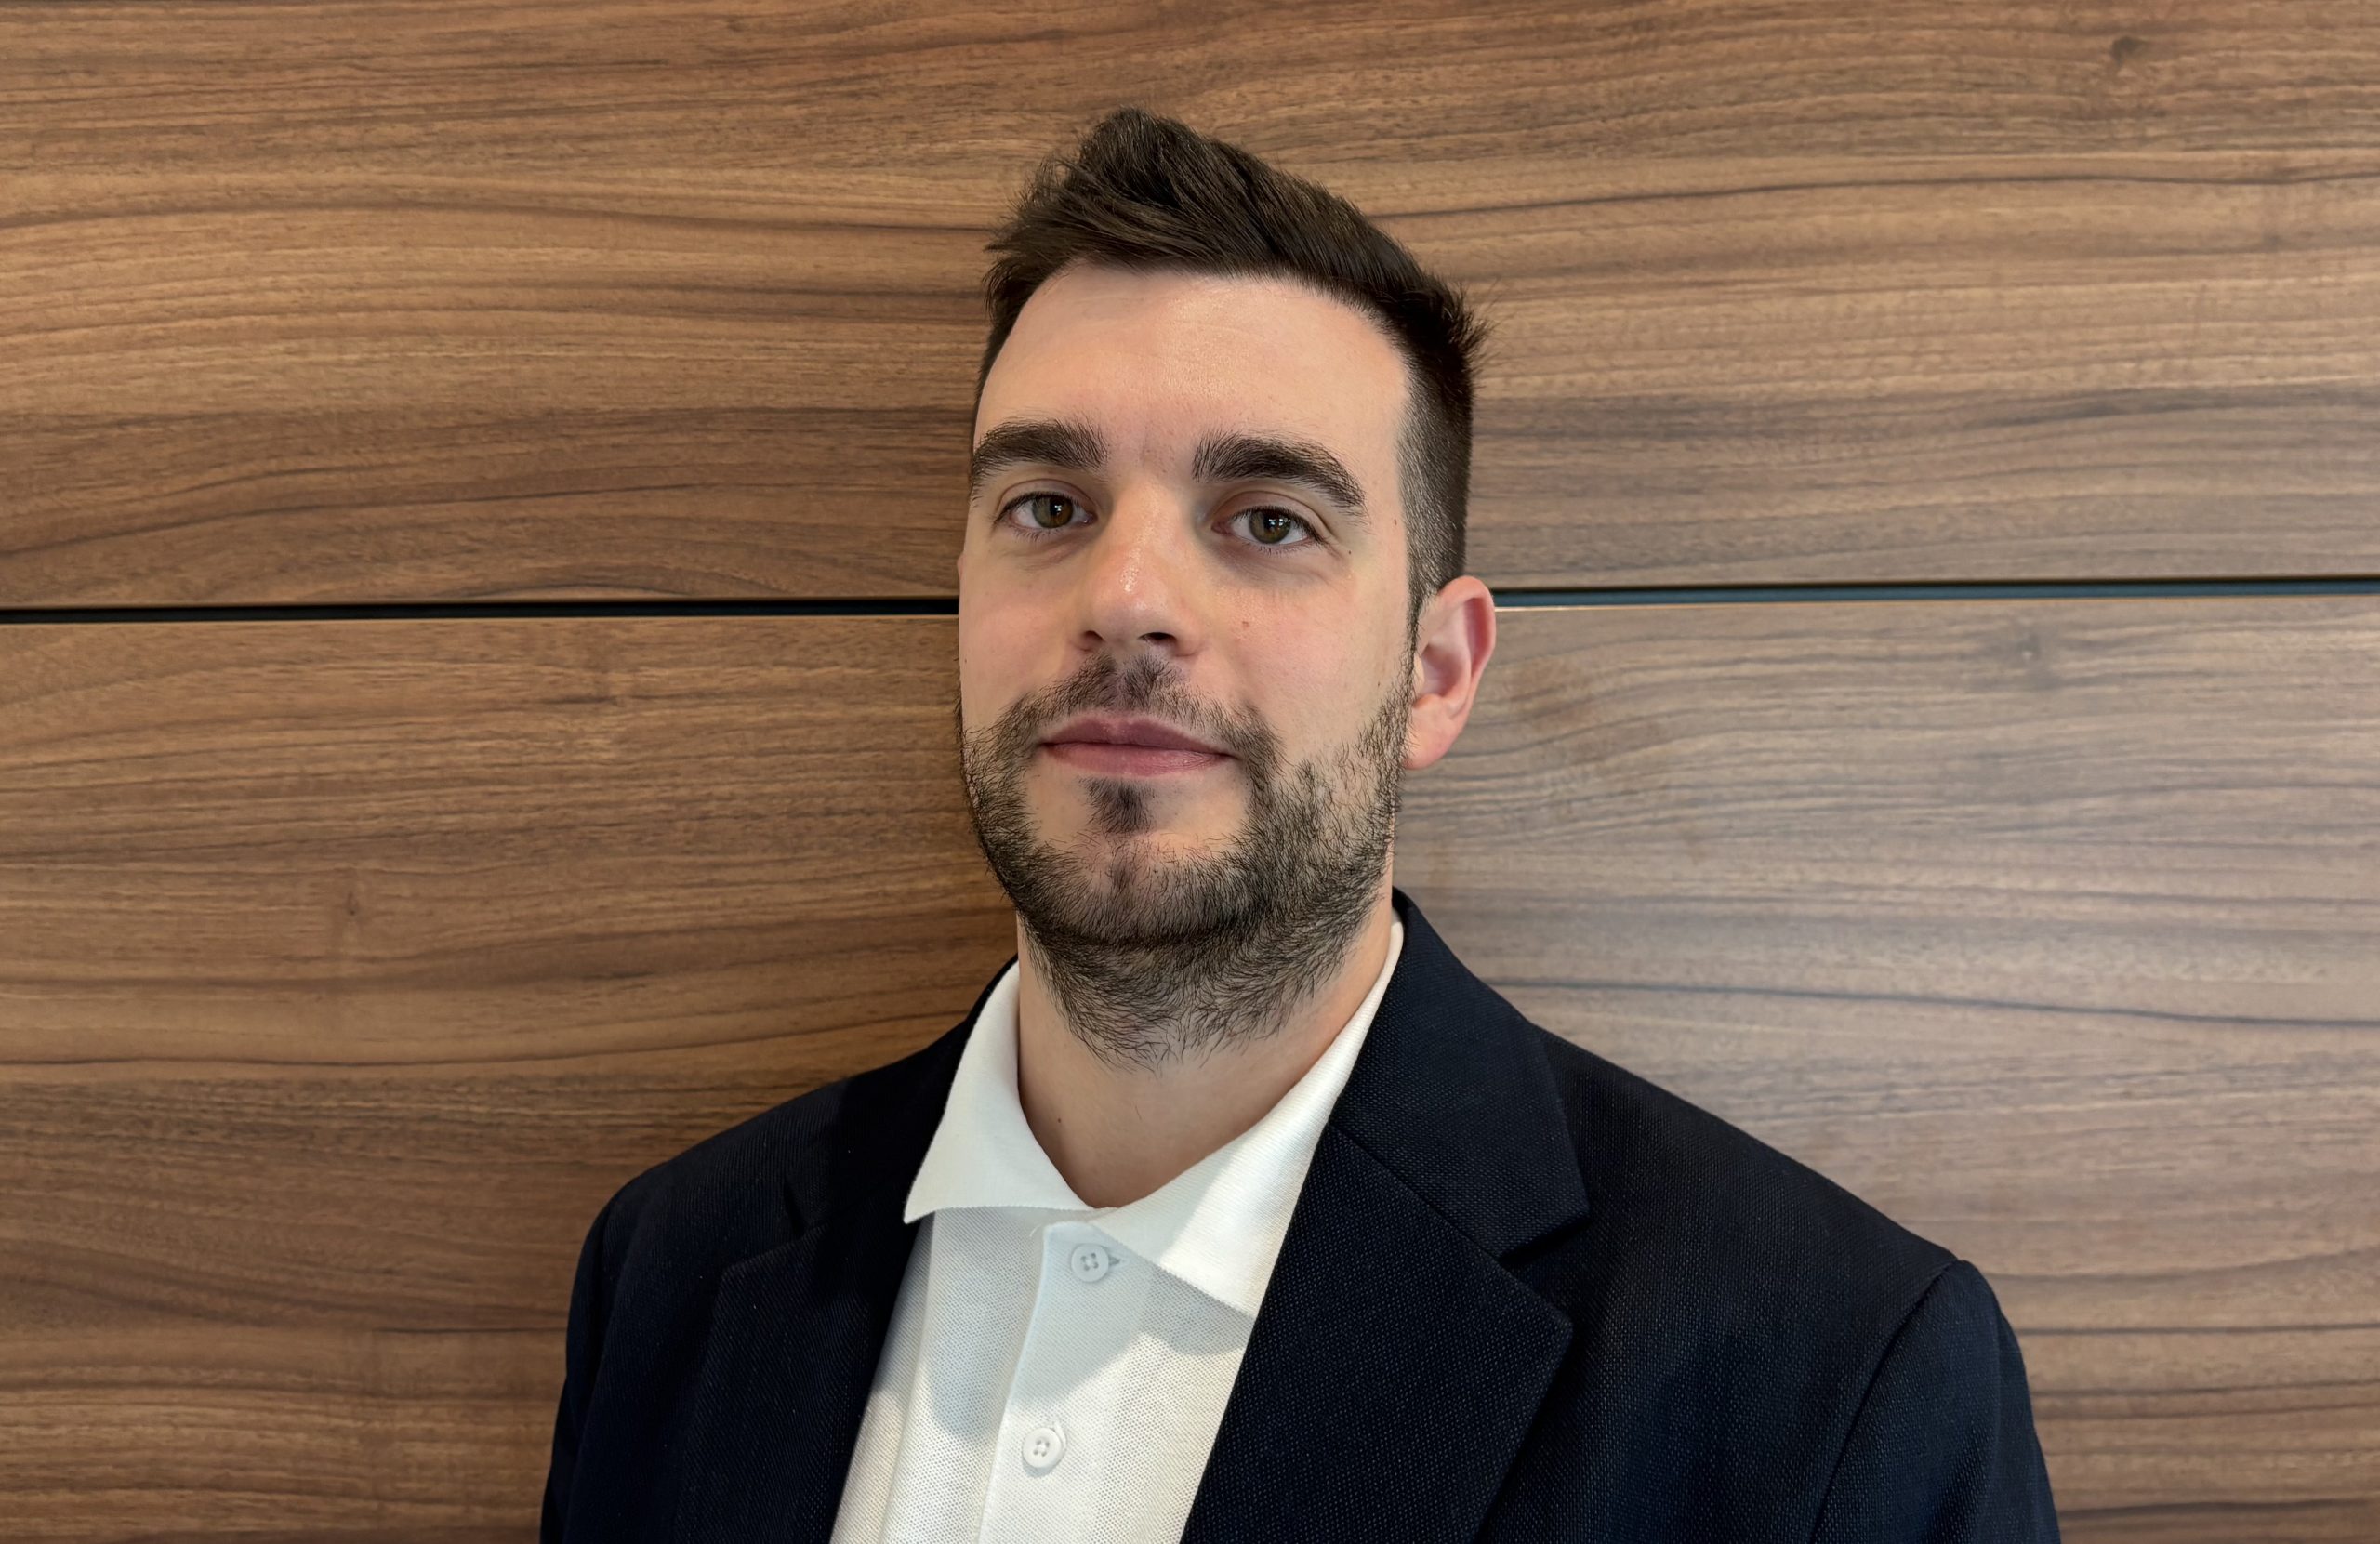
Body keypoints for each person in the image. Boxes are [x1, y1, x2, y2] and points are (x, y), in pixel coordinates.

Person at [539, 107, 2060, 1542]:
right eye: (1048, 506)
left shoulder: (1833, 1382)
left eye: (1270, 520)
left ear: (1435, 670)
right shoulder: (673, 1274)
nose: (1126, 598)